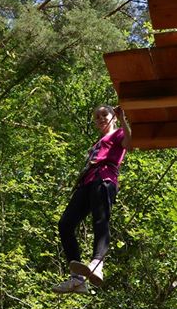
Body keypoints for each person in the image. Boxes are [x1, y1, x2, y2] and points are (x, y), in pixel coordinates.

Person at [52, 105, 132, 295]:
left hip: (104, 178)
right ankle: (77, 279)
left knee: (100, 219)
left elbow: (130, 143)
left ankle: (97, 263)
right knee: (65, 224)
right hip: (87, 182)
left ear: (113, 117)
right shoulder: (97, 143)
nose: (101, 118)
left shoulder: (119, 133)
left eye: (104, 114)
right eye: (97, 116)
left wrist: (122, 119)